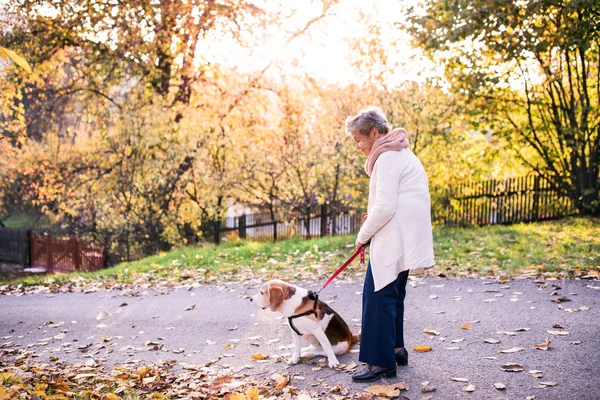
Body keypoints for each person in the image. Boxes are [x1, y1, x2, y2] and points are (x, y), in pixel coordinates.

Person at [346, 106, 435, 383]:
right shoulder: (401, 153)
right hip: (404, 238)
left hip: (394, 237)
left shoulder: (386, 158)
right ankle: (395, 349)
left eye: (359, 140)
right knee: (392, 295)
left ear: (374, 133)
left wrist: (362, 236)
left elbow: (384, 207)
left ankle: (379, 363)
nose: (358, 146)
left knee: (377, 298)